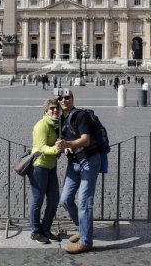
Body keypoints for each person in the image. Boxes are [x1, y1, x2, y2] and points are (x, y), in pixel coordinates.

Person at [56, 89, 101, 254]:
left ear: (72, 99)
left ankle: (86, 241)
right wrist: (66, 147)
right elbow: (65, 139)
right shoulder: (62, 119)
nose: (63, 100)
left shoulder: (80, 115)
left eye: (67, 97)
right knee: (65, 199)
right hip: (74, 163)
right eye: (60, 98)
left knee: (84, 202)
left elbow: (86, 140)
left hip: (89, 161)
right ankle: (83, 229)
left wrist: (68, 144)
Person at [28, 99, 62, 244]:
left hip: (51, 166)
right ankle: (35, 232)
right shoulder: (41, 125)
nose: (55, 110)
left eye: (57, 108)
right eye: (52, 108)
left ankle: (46, 229)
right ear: (46, 111)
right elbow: (41, 147)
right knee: (37, 200)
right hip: (39, 166)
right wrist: (56, 149)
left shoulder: (56, 125)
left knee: (54, 199)